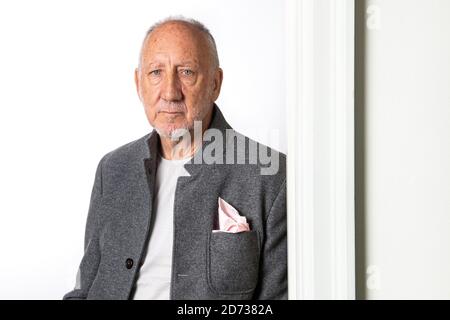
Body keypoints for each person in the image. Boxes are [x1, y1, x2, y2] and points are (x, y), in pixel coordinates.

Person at [63, 16, 286, 300]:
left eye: (187, 72)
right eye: (156, 72)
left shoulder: (271, 176)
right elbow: (86, 285)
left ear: (215, 84)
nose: (170, 92)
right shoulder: (113, 169)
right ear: (138, 83)